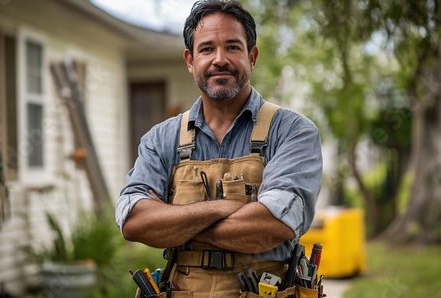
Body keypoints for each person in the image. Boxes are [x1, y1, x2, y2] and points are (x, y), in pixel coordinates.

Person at [116, 0, 323, 296]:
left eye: (233, 47)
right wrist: (225, 207)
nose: (219, 59)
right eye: (207, 49)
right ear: (190, 61)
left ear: (252, 56)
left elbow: (273, 225)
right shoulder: (159, 139)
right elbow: (134, 222)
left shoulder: (293, 132)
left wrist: (176, 223)